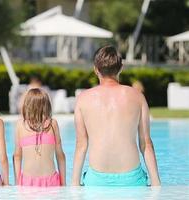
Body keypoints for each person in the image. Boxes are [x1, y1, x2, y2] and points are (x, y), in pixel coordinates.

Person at [71, 46, 160, 186]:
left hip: (96, 180)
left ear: (95, 69)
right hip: (131, 179)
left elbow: (81, 144)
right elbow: (146, 144)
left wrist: (74, 184)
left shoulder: (83, 99)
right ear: (121, 68)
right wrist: (156, 183)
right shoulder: (137, 97)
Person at [14, 88, 66, 187]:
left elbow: (17, 156)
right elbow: (60, 156)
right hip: (51, 181)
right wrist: (63, 183)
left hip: (27, 183)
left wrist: (17, 182)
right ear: (47, 106)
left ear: (27, 106)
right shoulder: (52, 124)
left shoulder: (20, 125)